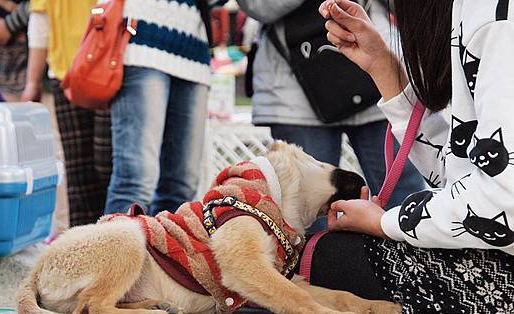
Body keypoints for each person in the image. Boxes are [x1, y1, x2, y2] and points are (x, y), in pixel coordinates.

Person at [300, 0, 514, 314]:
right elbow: (465, 171)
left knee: (326, 258)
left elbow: (503, 201)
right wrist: (383, 67)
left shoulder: (495, 20)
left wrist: (385, 223)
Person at [237, 0, 424, 210]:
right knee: (309, 214)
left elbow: (416, 9)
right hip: (295, 99)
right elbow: (257, 5)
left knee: (409, 203)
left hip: (378, 82)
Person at [104, 0, 224, 216]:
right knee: (135, 181)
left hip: (193, 50)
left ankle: (162, 250)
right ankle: (116, 249)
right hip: (141, 37)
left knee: (182, 185)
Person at [23, 0, 112, 227]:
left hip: (111, 70)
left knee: (108, 165)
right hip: (67, 74)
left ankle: (114, 240)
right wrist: (32, 82)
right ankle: (83, 251)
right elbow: (40, 21)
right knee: (78, 174)